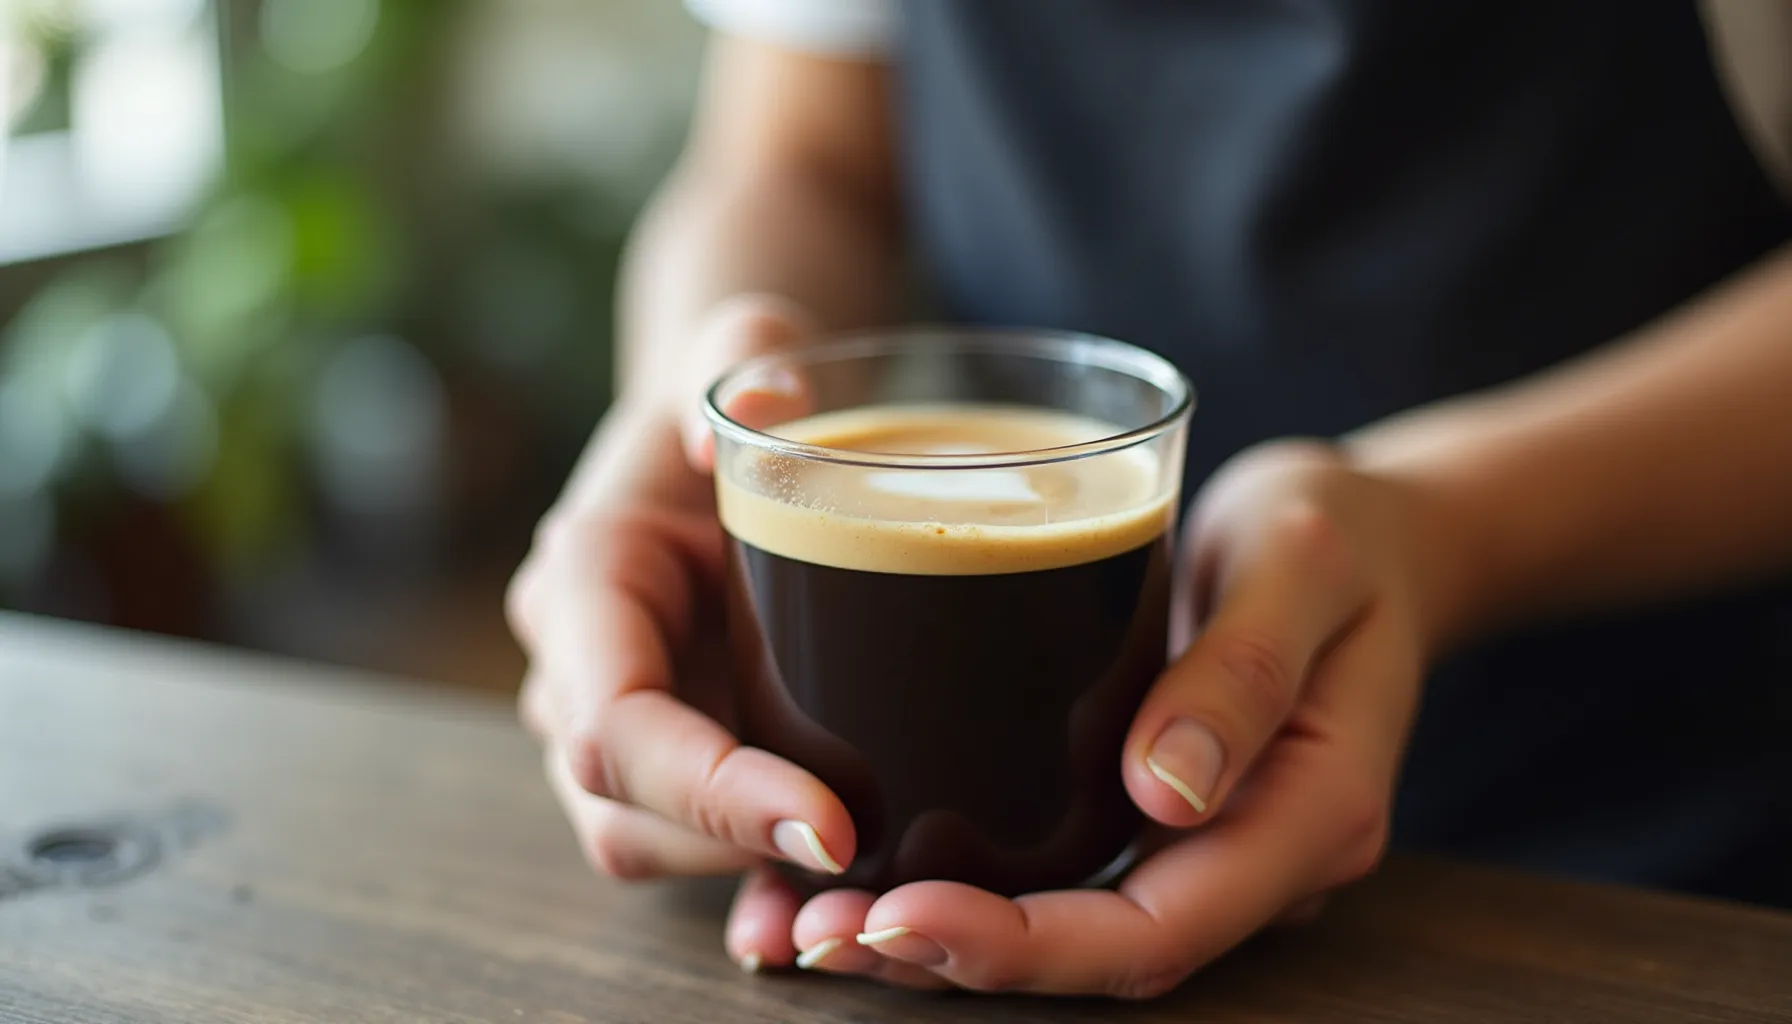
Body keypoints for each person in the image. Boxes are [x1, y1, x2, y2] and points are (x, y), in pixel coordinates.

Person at [506, 0, 1792, 998]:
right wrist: (696, 400)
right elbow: (798, 157)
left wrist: (1442, 525)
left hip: (1668, 854)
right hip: (984, 803)